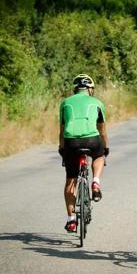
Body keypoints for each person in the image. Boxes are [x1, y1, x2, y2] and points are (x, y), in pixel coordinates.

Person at [58, 74, 109, 233]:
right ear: (90, 89)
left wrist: (62, 148)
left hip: (70, 142)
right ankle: (95, 181)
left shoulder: (65, 103)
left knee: (70, 182)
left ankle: (71, 220)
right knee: (99, 155)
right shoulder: (97, 103)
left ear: (76, 89)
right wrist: (105, 148)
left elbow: (61, 131)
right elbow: (102, 131)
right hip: (92, 141)